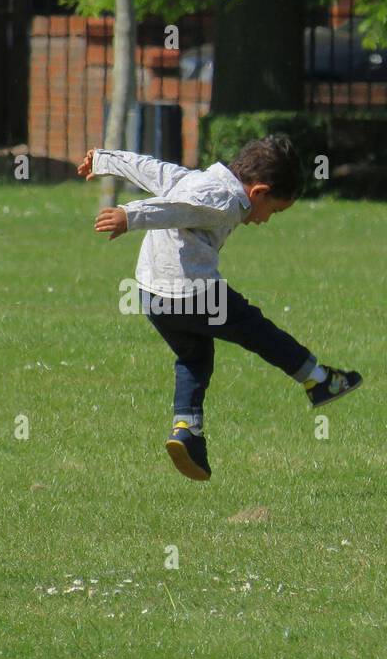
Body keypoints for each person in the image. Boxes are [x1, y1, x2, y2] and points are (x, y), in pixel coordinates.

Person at [78, 135, 362, 481]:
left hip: (152, 296)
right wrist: (130, 215)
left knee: (194, 356)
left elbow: (151, 169)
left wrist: (105, 160)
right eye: (273, 210)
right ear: (258, 192)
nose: (266, 220)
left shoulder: (196, 179)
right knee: (256, 330)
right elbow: (177, 209)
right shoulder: (224, 199)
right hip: (193, 294)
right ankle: (318, 380)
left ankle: (187, 429)